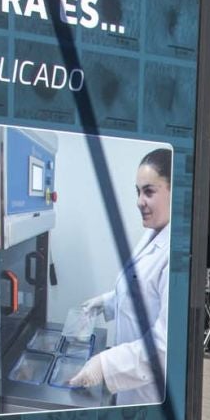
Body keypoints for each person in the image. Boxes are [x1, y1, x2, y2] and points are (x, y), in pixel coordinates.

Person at [67, 148, 173, 405]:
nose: (139, 201)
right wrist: (106, 301)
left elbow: (163, 346)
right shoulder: (152, 234)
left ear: (176, 190)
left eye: (149, 191)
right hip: (130, 388)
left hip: (150, 395)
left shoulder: (174, 256)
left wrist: (104, 364)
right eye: (138, 192)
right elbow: (140, 291)